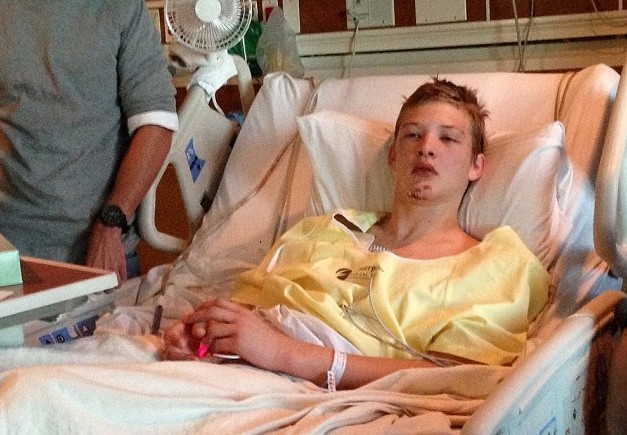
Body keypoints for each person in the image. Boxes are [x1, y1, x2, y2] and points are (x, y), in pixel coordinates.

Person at [163, 78, 549, 390]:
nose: (427, 148)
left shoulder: (497, 263)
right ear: (393, 157)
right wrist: (202, 334)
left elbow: (461, 377)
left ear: (477, 166)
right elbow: (247, 311)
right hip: (234, 372)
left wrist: (286, 354)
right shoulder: (324, 230)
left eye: (448, 138)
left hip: (309, 386)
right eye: (412, 135)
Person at [0, 0, 178, 282]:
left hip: (100, 246)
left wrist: (111, 221)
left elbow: (156, 125)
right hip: (9, 251)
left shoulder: (119, 8)